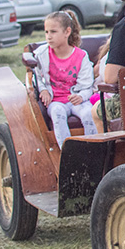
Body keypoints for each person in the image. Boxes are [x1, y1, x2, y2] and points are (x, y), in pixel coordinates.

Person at [33, 10, 97, 148]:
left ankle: (93, 149)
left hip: (77, 100)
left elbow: (87, 86)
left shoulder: (81, 56)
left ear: (67, 32)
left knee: (88, 113)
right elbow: (36, 76)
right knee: (57, 113)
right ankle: (67, 151)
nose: (49, 36)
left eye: (53, 32)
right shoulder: (41, 55)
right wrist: (43, 90)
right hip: (56, 101)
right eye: (46, 32)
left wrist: (81, 96)